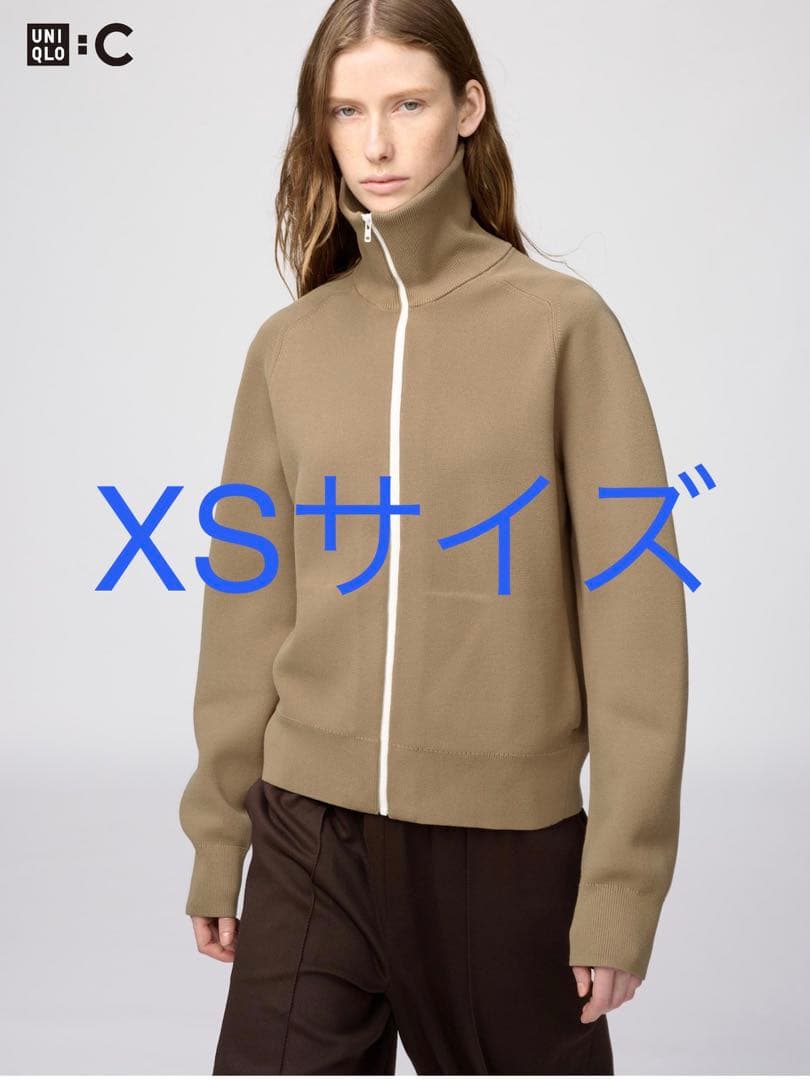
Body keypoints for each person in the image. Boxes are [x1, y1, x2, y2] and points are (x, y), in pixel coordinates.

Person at [178, 0, 689, 1074]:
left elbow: (635, 621)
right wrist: (220, 833)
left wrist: (621, 885)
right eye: (345, 111)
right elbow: (247, 607)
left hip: (501, 848)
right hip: (308, 835)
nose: (375, 143)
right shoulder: (289, 347)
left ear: (467, 108)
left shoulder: (564, 329)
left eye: (406, 105)